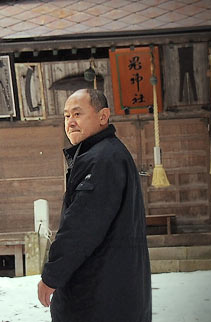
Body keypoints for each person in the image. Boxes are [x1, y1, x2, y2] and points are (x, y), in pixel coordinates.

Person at [37, 89, 152, 321]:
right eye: (67, 116)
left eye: (78, 114)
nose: (70, 122)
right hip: (113, 290)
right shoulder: (106, 154)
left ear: (103, 116)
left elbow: (82, 225)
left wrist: (52, 275)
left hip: (97, 295)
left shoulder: (101, 159)